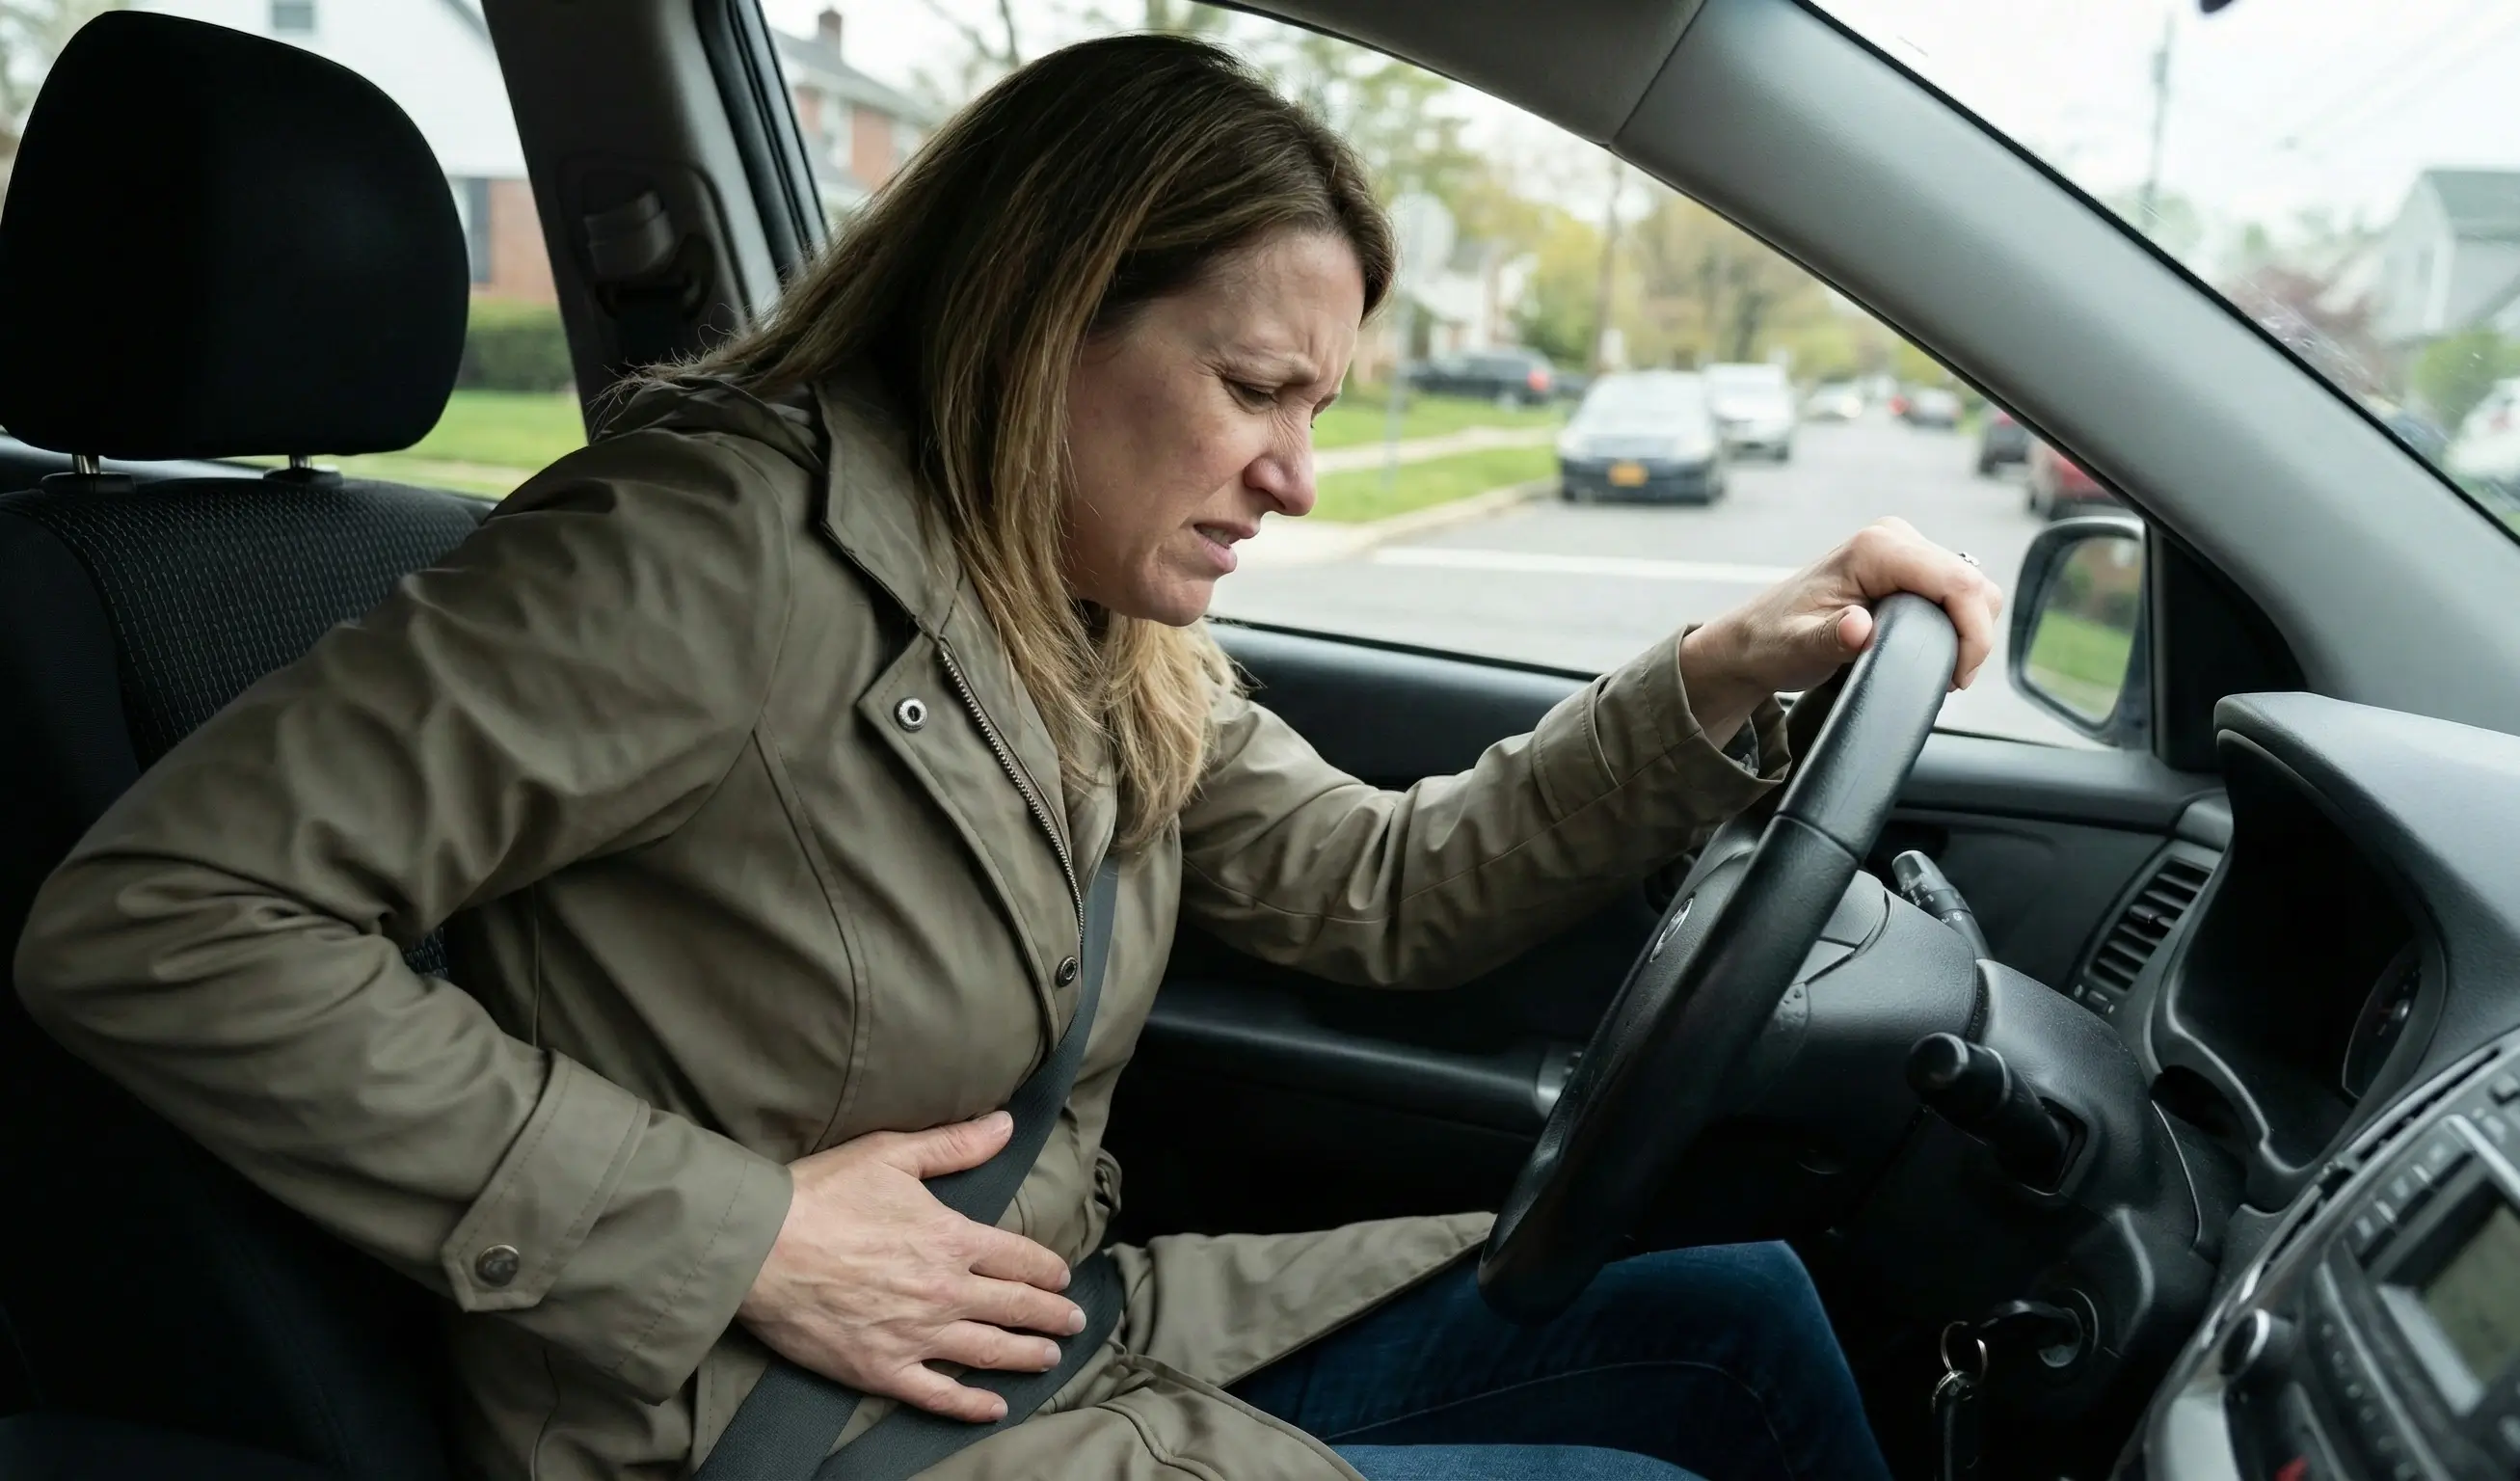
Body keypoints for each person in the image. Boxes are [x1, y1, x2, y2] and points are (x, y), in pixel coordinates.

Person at [14, 33, 1998, 1481]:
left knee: (1737, 1312)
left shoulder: (1094, 613)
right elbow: (161, 917)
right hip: (772, 1430)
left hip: (1044, 1340)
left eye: (1316, 407)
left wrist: (1714, 676)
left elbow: (1381, 891)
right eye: (1252, 388)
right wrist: (742, 1235)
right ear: (1042, 320)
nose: (1295, 477)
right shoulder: (700, 556)